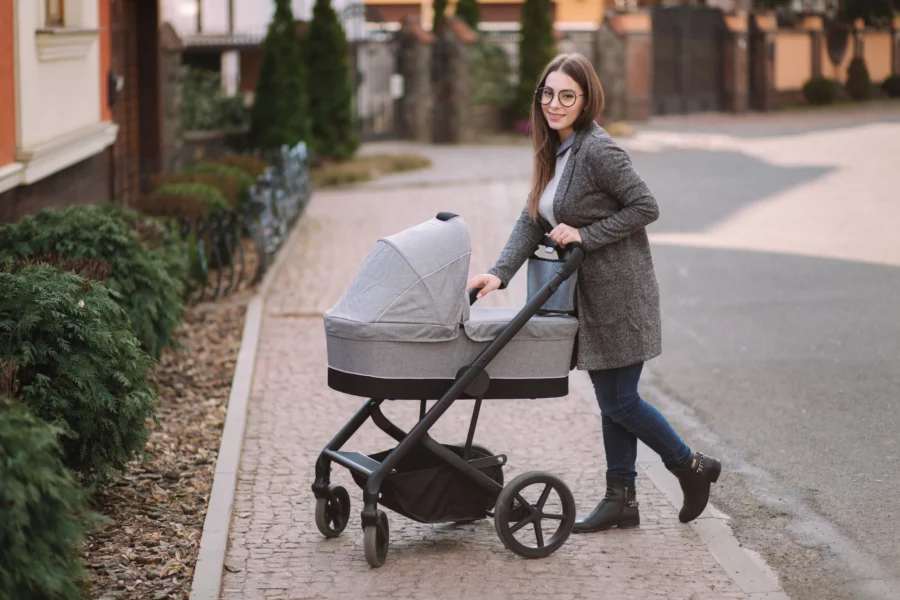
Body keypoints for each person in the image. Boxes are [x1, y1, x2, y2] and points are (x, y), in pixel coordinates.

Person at [465, 53, 722, 532]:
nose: (554, 104)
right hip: (590, 296)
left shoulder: (599, 150)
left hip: (621, 295)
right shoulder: (553, 149)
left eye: (567, 96)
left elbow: (646, 206)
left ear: (586, 101)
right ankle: (621, 500)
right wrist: (498, 273)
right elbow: (532, 218)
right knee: (614, 399)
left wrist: (587, 234)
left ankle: (691, 467)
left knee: (620, 402)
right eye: (548, 93)